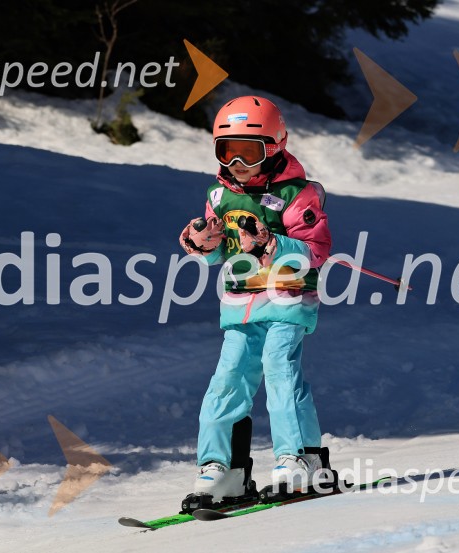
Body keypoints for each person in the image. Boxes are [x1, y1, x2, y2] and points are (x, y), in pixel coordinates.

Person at [178, 95, 332, 508]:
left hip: (286, 298)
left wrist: (272, 242)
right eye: (228, 153)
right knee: (228, 379)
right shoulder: (218, 196)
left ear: (276, 146)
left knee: (280, 370)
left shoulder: (297, 194)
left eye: (250, 152)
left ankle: (300, 460)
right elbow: (221, 251)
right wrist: (204, 244)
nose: (238, 165)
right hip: (241, 303)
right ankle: (223, 469)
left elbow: (315, 250)